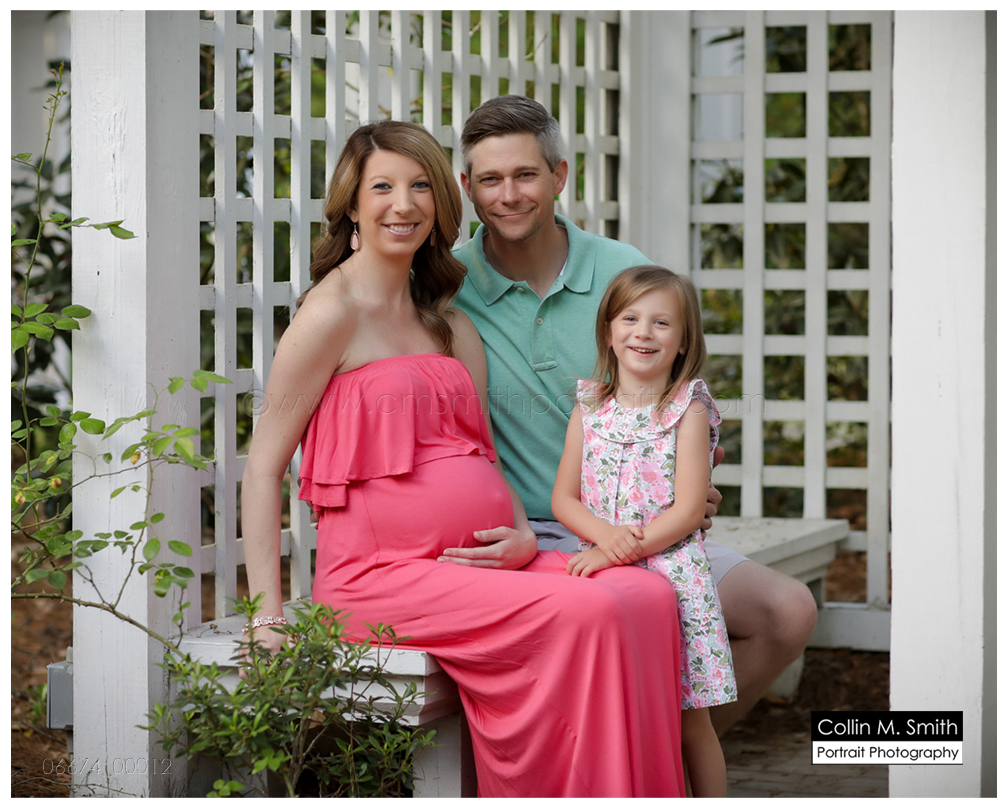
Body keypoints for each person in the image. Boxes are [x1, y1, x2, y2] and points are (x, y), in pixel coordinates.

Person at [241, 120, 686, 797]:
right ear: (351, 205)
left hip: (475, 561)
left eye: (420, 186)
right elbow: (262, 468)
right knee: (591, 613)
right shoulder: (330, 314)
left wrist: (521, 533)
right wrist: (267, 615)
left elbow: (485, 455)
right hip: (376, 577)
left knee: (648, 596)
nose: (404, 204)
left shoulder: (447, 321)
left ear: (442, 202)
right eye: (382, 187)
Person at [446, 94, 819, 735]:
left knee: (787, 613)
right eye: (490, 179)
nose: (508, 195)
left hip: (642, 528)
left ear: (560, 176)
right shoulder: (449, 287)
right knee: (616, 626)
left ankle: (662, 764)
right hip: (531, 531)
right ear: (467, 187)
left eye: (526, 174)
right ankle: (636, 765)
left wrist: (693, 484)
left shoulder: (622, 269)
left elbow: (673, 405)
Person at [552, 266, 736, 797]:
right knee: (620, 706)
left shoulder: (687, 409)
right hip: (606, 576)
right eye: (630, 318)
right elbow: (563, 499)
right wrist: (603, 540)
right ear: (609, 331)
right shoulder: (590, 407)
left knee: (689, 722)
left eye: (662, 323)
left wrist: (617, 551)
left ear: (683, 341)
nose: (644, 333)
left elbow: (687, 511)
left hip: (674, 579)